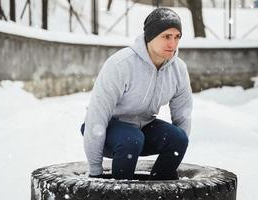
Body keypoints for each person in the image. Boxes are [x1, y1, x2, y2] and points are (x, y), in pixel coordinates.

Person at [81, 7, 193, 180]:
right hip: (109, 130)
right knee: (132, 139)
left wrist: (176, 152)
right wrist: (95, 172)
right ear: (150, 36)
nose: (173, 44)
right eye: (166, 36)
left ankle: (160, 190)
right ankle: (119, 191)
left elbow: (183, 117)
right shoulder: (121, 64)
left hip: (143, 130)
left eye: (177, 37)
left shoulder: (178, 69)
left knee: (178, 138)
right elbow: (97, 116)